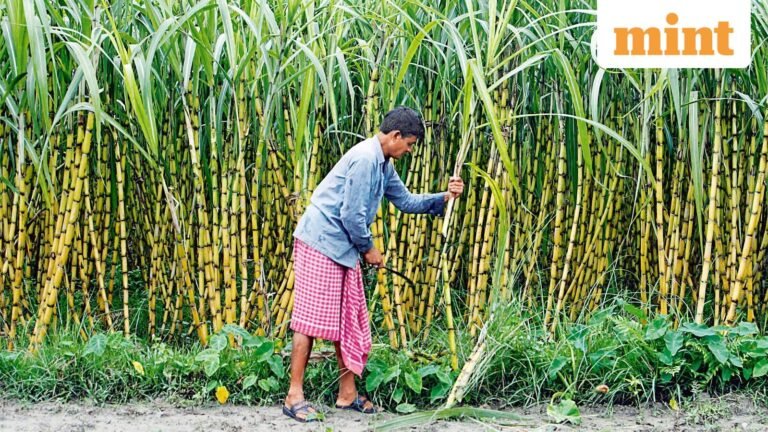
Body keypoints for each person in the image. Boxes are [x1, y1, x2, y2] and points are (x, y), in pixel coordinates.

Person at [282, 106, 465, 422]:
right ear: (395, 136)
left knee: (345, 318)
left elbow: (405, 201)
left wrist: (445, 198)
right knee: (308, 321)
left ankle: (347, 393)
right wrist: (369, 249)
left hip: (341, 247)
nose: (408, 151)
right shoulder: (366, 159)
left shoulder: (383, 164)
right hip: (320, 241)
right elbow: (350, 215)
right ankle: (293, 395)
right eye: (408, 144)